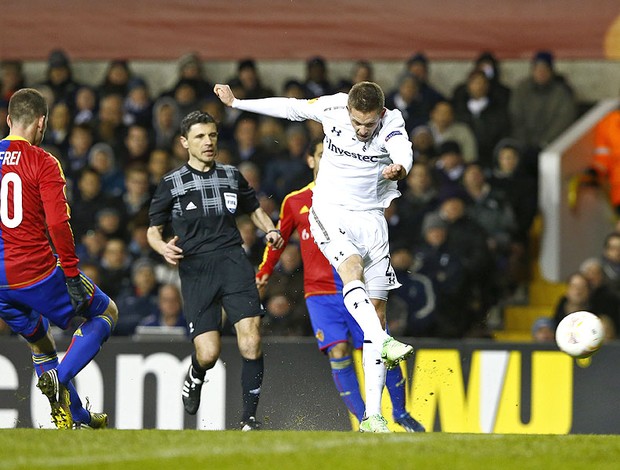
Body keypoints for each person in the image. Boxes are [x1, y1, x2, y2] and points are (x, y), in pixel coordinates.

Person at [214, 80, 416, 433]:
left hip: (371, 217)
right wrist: (238, 103)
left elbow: (404, 150)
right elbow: (291, 107)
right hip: (331, 210)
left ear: (380, 114)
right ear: (348, 111)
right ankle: (381, 340)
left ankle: (373, 416)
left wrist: (400, 167)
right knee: (350, 268)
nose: (363, 130)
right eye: (357, 123)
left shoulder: (392, 123)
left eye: (369, 124)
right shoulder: (334, 107)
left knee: (378, 310)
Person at [256, 140, 425, 431]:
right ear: (310, 160)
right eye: (321, 154)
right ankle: (365, 422)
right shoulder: (295, 202)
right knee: (338, 352)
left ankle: (400, 412)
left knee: (378, 348)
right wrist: (263, 273)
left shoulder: (354, 192)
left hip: (356, 285)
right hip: (319, 293)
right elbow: (279, 241)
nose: (327, 159)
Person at [147, 110, 283, 431]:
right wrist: (162, 246)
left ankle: (248, 418)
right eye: (199, 137)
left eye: (212, 135)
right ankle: (195, 375)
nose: (208, 142)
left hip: (233, 262)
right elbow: (153, 230)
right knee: (208, 353)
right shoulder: (171, 184)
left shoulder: (232, 175)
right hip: (196, 269)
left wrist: (270, 230)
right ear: (184, 142)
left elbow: (253, 210)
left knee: (251, 341)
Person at [0, 88, 118, 429]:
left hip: (1, 281)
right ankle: (60, 377)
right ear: (42, 122)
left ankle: (73, 416)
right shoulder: (43, 161)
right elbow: (57, 222)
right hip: (34, 271)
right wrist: (70, 271)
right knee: (106, 313)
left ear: (9, 120)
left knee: (41, 341)